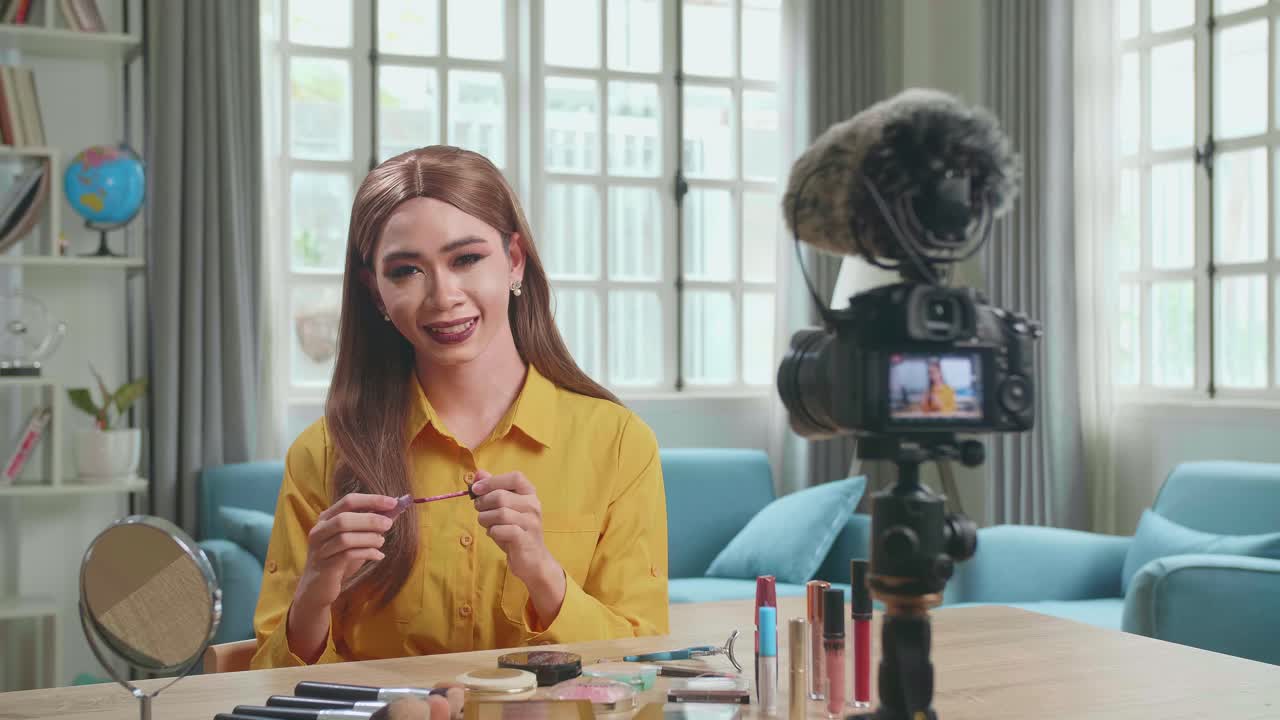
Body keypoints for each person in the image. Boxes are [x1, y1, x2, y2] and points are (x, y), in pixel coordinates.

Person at [250, 146, 669, 668]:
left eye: (466, 259)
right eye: (406, 270)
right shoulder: (322, 454)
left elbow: (640, 666)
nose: (443, 296)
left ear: (514, 260)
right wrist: (314, 593)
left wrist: (542, 572)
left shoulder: (620, 444)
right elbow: (268, 683)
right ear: (375, 292)